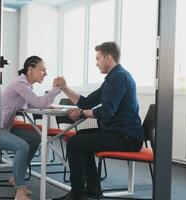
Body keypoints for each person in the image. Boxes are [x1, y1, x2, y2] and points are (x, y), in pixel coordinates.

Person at [53, 41, 144, 200]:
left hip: (127, 137)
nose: (96, 64)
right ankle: (93, 188)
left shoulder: (119, 77)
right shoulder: (113, 78)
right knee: (81, 136)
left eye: (98, 59)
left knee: (75, 142)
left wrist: (81, 113)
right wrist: (65, 88)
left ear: (108, 58)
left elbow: (106, 112)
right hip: (119, 133)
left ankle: (77, 194)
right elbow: (87, 102)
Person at [0, 55, 61, 200]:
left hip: (5, 128)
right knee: (22, 146)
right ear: (30, 70)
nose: (45, 73)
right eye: (42, 70)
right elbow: (38, 103)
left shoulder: (25, 85)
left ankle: (16, 177)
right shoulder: (20, 84)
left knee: (35, 137)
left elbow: (31, 103)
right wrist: (56, 90)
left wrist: (46, 104)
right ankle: (20, 192)